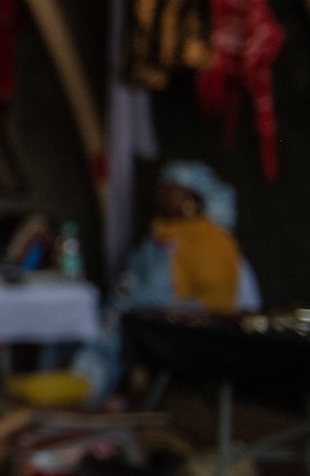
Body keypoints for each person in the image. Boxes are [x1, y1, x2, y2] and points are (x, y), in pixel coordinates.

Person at [71, 160, 260, 397]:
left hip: (188, 329)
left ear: (192, 198)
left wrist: (150, 310)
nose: (161, 194)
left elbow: (215, 299)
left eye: (172, 189)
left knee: (114, 336)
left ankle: (85, 393)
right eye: (162, 188)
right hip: (143, 318)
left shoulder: (210, 240)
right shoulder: (161, 234)